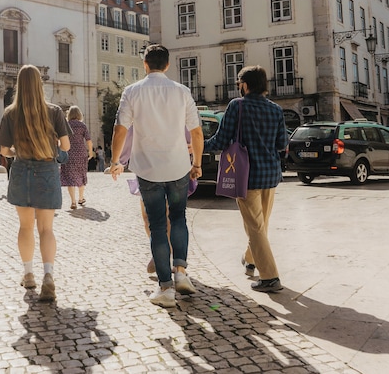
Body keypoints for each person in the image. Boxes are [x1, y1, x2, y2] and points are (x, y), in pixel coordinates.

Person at [110, 44, 204, 308]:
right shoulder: (182, 92)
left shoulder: (132, 92)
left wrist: (116, 160)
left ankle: (165, 287)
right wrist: (196, 163)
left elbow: (120, 129)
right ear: (167, 65)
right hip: (178, 167)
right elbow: (196, 133)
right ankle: (181, 272)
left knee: (157, 225)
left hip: (148, 169)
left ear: (145, 64)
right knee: (178, 218)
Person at [204, 65, 288, 293]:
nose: (238, 87)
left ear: (245, 84)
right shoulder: (276, 109)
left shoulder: (237, 106)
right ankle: (250, 259)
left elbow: (220, 141)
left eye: (238, 83)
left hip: (246, 175)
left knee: (256, 227)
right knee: (261, 224)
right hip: (270, 175)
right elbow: (282, 144)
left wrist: (197, 145)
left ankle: (270, 277)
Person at [0, 64, 71, 302]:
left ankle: (28, 274)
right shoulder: (54, 111)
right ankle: (48, 275)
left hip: (21, 171)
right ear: (40, 84)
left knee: (25, 226)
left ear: (19, 85)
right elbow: (66, 147)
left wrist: (17, 150)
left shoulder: (10, 112)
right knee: (46, 228)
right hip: (47, 169)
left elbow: (4, 150)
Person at [60, 106, 93, 209]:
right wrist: (91, 152)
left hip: (68, 153)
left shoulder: (66, 125)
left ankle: (73, 201)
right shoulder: (82, 125)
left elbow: (60, 139)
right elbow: (88, 140)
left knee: (70, 177)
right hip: (81, 153)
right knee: (81, 175)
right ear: (79, 114)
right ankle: (81, 198)